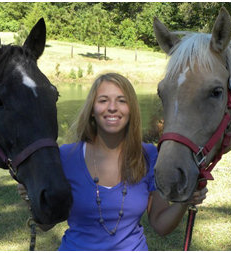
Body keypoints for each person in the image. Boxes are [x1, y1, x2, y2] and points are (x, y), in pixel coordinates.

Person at [18, 73, 208, 250]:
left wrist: (185, 200)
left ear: (131, 110)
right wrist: (31, 198)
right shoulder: (66, 156)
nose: (112, 107)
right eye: (103, 100)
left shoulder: (148, 155)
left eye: (121, 101)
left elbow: (160, 224)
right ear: (92, 110)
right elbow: (46, 224)